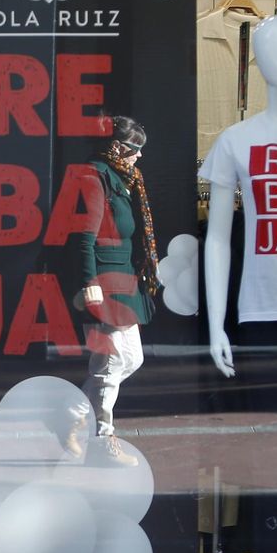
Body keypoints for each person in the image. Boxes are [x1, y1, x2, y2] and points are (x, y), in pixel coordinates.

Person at [66, 115, 158, 468]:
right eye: (136, 148)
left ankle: (72, 416)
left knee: (131, 359)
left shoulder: (121, 177)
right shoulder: (94, 177)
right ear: (118, 147)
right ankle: (101, 439)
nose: (140, 156)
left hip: (123, 277)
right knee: (111, 361)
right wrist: (89, 283)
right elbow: (84, 237)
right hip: (105, 279)